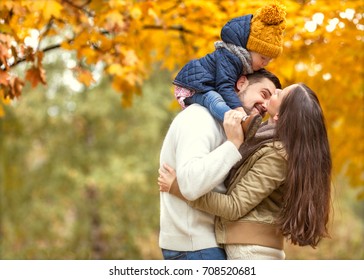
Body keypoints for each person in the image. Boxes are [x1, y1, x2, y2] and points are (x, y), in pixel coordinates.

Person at [159, 83, 332, 260]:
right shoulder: (264, 140)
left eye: (279, 95)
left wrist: (177, 188)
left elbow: (233, 206)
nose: (275, 92)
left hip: (252, 252)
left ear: (279, 115)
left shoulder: (277, 155)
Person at [158, 69, 281, 260]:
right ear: (241, 83)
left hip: (208, 244)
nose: (265, 105)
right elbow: (190, 184)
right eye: (263, 94)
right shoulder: (199, 118)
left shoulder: (227, 125)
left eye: (270, 100)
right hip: (195, 247)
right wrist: (233, 145)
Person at [173, 2, 286, 140]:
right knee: (214, 100)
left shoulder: (242, 62)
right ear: (250, 48)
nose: (265, 63)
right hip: (192, 87)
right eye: (263, 58)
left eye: (269, 60)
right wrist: (238, 110)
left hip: (204, 85)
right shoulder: (230, 57)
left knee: (216, 99)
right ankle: (241, 123)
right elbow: (224, 85)